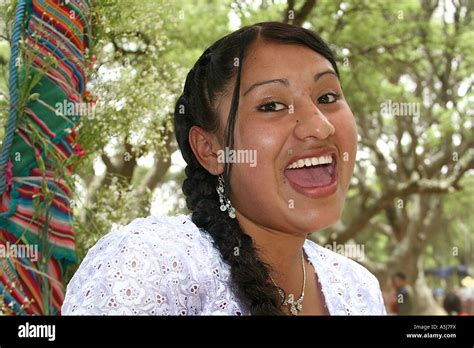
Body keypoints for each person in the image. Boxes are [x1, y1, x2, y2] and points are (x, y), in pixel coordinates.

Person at [62, 21, 386, 315]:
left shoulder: (359, 290)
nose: (320, 125)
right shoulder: (152, 264)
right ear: (210, 150)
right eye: (271, 105)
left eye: (328, 96)